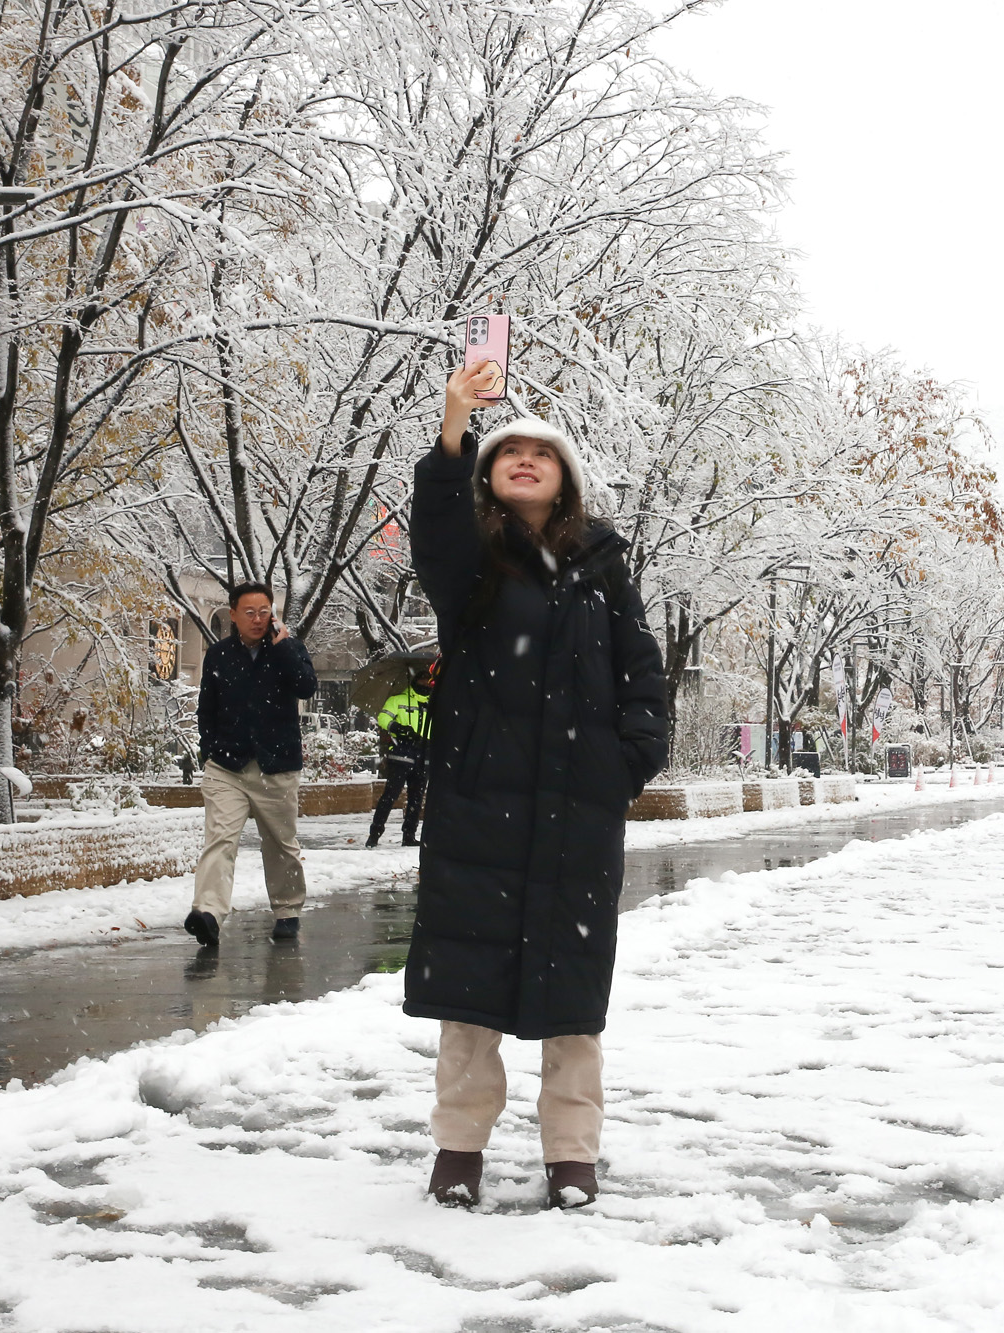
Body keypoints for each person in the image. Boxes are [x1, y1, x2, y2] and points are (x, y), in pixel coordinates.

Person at [406, 359, 668, 1211]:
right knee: (469, 993)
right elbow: (436, 528)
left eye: (541, 453)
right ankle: (459, 1149)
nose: (523, 459)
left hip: (575, 811)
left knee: (572, 993)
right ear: (488, 472)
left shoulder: (601, 564)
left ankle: (572, 1156)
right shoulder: (472, 559)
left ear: (565, 480)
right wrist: (455, 423)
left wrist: (624, 762)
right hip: (480, 804)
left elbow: (642, 669)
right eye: (507, 451)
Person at [185, 582, 319, 949]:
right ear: (233, 615)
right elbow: (206, 709)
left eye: (265, 612)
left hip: (277, 766)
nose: (258, 619)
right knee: (220, 839)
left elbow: (307, 686)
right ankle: (208, 913)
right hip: (227, 766)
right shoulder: (219, 655)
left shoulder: (287, 650)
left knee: (279, 843)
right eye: (250, 612)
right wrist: (208, 751)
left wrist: (287, 646)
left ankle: (287, 911)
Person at [365, 661, 435, 848]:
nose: (426, 684)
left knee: (416, 799)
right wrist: (398, 728)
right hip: (402, 754)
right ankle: (375, 833)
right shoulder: (398, 700)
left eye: (429, 681)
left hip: (423, 755)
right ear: (415, 681)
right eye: (423, 680)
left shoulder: (434, 703)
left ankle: (409, 836)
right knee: (390, 795)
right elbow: (383, 717)